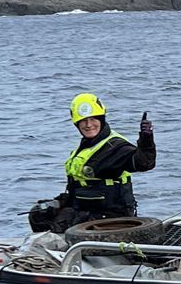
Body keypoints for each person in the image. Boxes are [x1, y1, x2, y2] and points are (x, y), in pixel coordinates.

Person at [50, 92, 156, 231]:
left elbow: (143, 163)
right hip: (85, 207)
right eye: (83, 121)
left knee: (61, 225)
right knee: (41, 216)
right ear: (77, 124)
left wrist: (146, 141)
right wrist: (61, 201)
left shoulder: (116, 147)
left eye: (93, 119)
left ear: (102, 119)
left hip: (110, 215)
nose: (88, 125)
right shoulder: (88, 145)